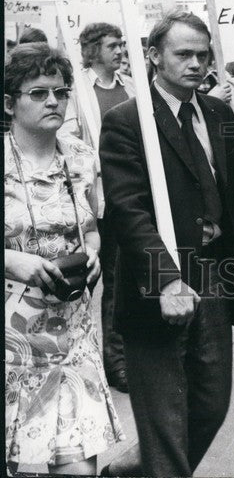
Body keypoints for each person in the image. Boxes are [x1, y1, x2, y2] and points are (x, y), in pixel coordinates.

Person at [99, 8, 234, 478]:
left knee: (211, 402)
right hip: (157, 281)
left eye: (202, 55)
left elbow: (233, 203)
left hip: (214, 275)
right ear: (153, 56)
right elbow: (129, 210)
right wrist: (167, 280)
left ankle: (129, 470)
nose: (195, 64)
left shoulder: (218, 113)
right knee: (166, 420)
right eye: (183, 53)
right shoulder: (127, 120)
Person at [4, 44, 124, 474]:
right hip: (10, 343)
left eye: (60, 91)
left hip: (71, 335)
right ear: (10, 103)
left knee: (77, 471)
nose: (53, 101)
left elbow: (91, 224)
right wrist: (11, 261)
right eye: (38, 92)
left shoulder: (81, 158)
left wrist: (91, 251)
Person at [61, 22, 134, 393]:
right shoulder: (79, 93)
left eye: (122, 44)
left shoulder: (132, 87)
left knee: (122, 280)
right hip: (97, 199)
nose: (120, 50)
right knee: (94, 277)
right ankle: (87, 354)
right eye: (112, 46)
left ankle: (117, 358)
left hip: (131, 195)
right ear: (92, 52)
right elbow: (68, 141)